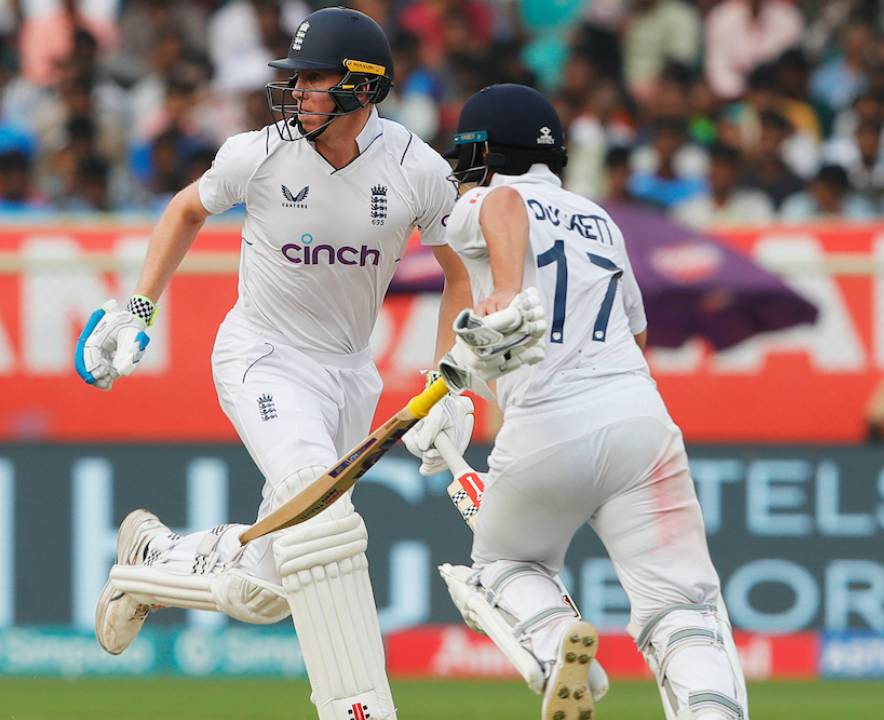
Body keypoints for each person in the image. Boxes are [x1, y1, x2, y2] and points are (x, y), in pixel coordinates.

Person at [73, 9, 483, 720]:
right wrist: (137, 310)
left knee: (266, 587)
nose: (298, 95)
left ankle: (153, 561)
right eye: (294, 80)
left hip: (348, 377)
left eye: (315, 81)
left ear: (362, 88)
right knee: (321, 528)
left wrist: (450, 377)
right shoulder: (258, 153)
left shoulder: (416, 168)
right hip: (261, 355)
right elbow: (184, 210)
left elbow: (461, 268)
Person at [407, 83, 748, 720]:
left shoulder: (486, 198)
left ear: (488, 152)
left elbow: (502, 208)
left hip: (546, 426)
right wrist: (448, 384)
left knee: (503, 562)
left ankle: (557, 645)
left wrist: (507, 289)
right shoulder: (602, 220)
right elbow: (636, 335)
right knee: (685, 608)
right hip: (639, 423)